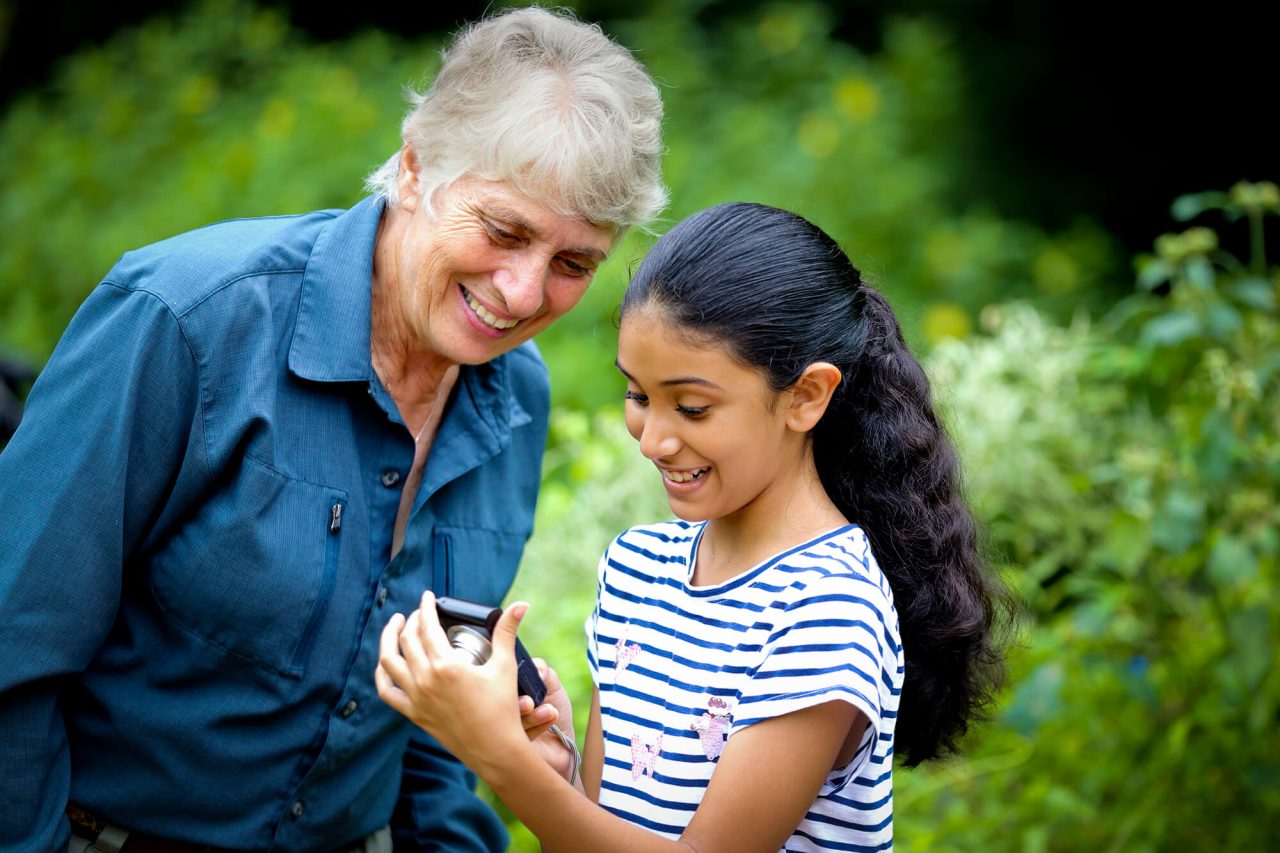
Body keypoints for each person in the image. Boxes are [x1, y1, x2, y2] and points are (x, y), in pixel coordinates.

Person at [0, 7, 665, 853]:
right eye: (504, 231)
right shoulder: (188, 320)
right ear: (418, 168)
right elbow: (13, 646)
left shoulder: (517, 399)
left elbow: (431, 719)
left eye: (574, 263)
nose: (526, 293)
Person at [376, 202, 1011, 851]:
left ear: (807, 396)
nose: (652, 439)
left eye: (692, 406)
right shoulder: (638, 567)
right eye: (638, 396)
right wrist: (553, 769)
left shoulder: (826, 604)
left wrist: (502, 761)